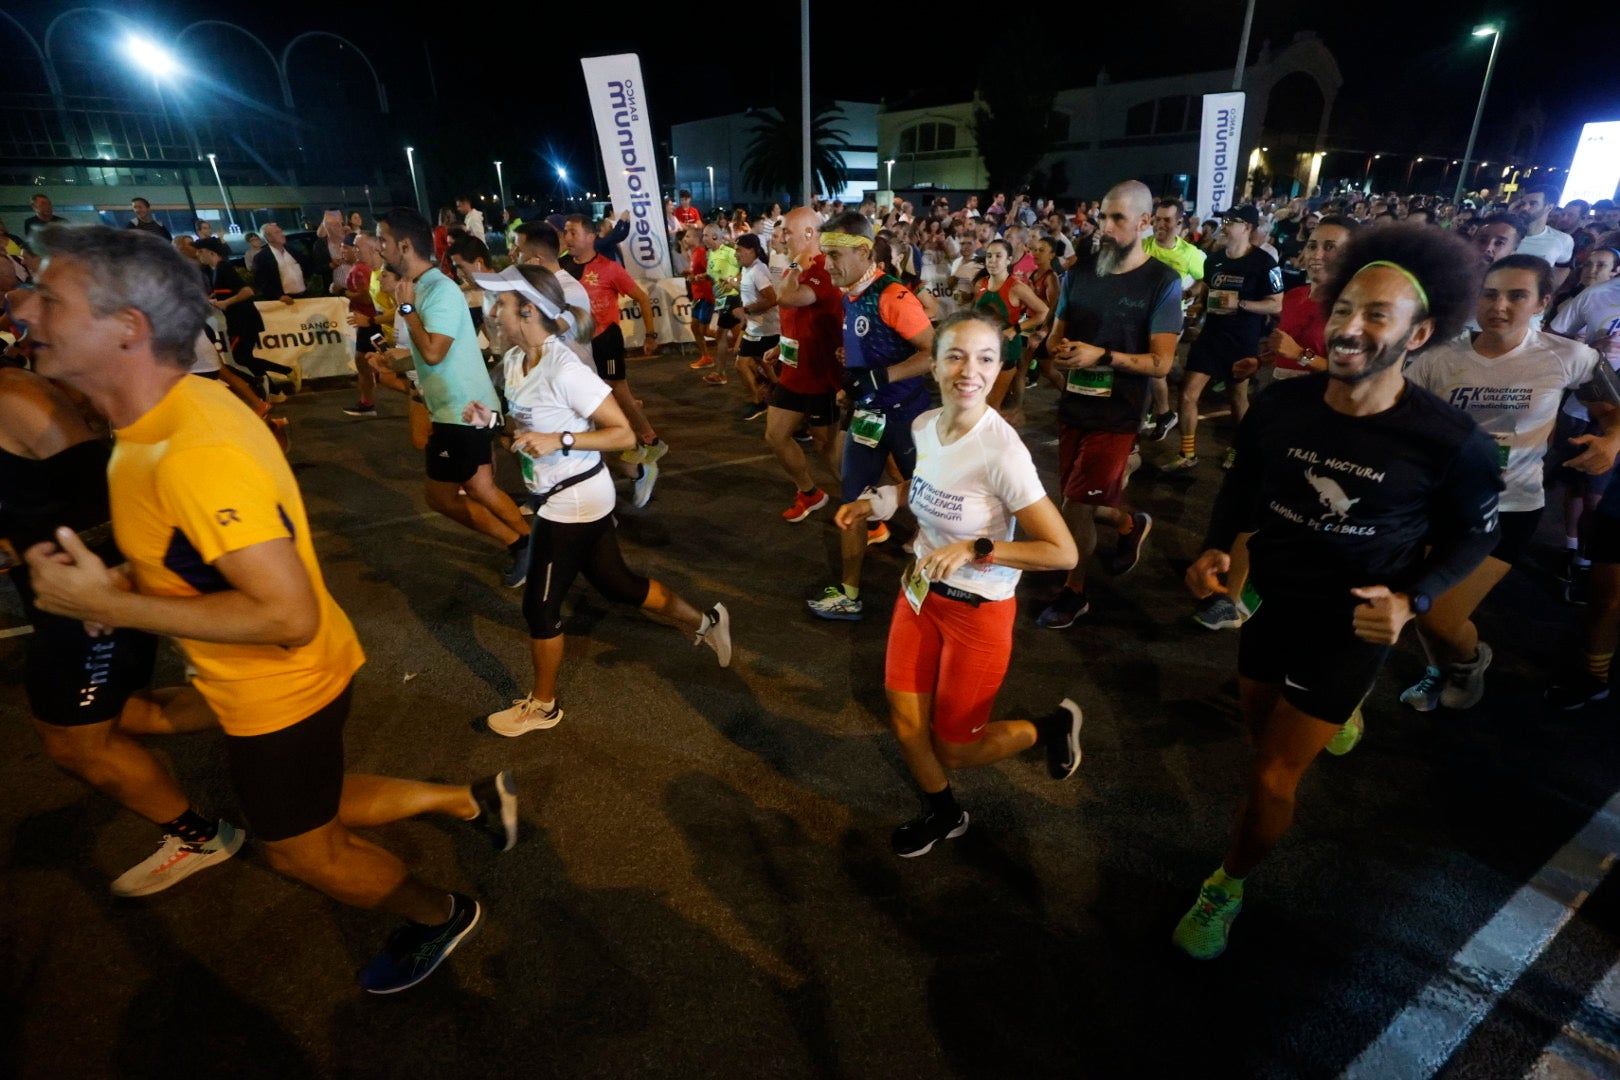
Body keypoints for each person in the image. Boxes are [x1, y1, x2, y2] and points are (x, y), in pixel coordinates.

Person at [19, 225, 520, 994]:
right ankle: (466, 798)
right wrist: (122, 586)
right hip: (265, 678)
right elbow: (198, 552)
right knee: (270, 793)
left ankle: (439, 913)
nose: (25, 307)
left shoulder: (191, 449)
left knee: (298, 847)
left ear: (128, 328)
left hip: (280, 687)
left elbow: (288, 616)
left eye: (51, 297)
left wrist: (107, 605)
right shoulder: (166, 414)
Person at [1175, 224, 1502, 960]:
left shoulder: (1450, 441)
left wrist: (1411, 601)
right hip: (1270, 606)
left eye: (1376, 315)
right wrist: (1213, 548)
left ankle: (1227, 885)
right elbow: (1243, 484)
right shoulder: (1283, 407)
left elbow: (1475, 537)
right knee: (1258, 734)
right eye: (1345, 308)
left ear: (1417, 335)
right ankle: (1339, 718)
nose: (1350, 327)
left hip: (1349, 628)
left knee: (1270, 775)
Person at [834, 310, 1081, 855]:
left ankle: (1050, 727)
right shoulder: (924, 425)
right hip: (919, 594)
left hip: (979, 611)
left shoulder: (1002, 452)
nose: (970, 371)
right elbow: (921, 490)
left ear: (998, 370)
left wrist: (978, 547)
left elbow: (1062, 551)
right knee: (904, 721)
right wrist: (874, 501)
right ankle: (944, 813)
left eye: (985, 359)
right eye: (956, 356)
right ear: (937, 363)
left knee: (955, 748)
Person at [1, 363, 245, 897]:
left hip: (88, 600)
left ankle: (199, 837)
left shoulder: (12, 394)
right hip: (66, 593)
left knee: (72, 742)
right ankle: (270, 705)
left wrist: (110, 590)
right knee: (122, 714)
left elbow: (109, 495)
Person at [469, 265, 732, 735]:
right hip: (556, 492)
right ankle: (705, 620)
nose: (490, 313)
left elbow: (622, 433)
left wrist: (561, 439)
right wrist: (493, 424)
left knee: (541, 606)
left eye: (500, 305)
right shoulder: (514, 361)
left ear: (528, 311)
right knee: (619, 586)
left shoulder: (564, 367)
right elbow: (527, 432)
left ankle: (543, 706)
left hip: (573, 498)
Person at [1399, 255, 1619, 711]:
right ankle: (1440, 669)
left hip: (1509, 507)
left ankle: (1470, 660)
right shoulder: (1436, 356)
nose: (1499, 305)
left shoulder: (1568, 356)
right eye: (1490, 293)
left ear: (1543, 301)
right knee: (1423, 614)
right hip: (1435, 504)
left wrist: (1612, 442)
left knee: (1436, 611)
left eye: (1517, 295)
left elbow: (1614, 410)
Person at [1036, 181, 1181, 629]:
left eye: (1118, 218)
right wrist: (1057, 352)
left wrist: (1103, 356)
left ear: (1144, 223)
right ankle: (1128, 523)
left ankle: (1074, 591)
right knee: (1075, 497)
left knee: (1075, 505)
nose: (1106, 227)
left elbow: (1162, 363)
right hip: (1074, 406)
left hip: (1118, 415)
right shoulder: (1079, 274)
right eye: (1102, 216)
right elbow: (1055, 337)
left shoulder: (1162, 281)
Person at [377, 207, 532, 587]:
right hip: (452, 407)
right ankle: (526, 544)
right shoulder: (421, 288)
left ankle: (528, 544)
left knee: (454, 494)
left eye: (383, 240)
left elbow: (433, 352)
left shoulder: (438, 290)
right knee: (460, 492)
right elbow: (425, 355)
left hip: (464, 409)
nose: (379, 248)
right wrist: (390, 365)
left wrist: (408, 310)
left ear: (405, 245)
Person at [806, 212, 936, 621]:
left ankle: (942, 594)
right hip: (867, 416)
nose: (827, 266)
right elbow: (872, 343)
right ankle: (849, 593)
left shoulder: (893, 296)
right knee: (852, 500)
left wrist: (881, 375)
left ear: (864, 252)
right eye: (824, 255)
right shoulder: (851, 294)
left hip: (906, 415)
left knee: (931, 500)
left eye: (834, 255)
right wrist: (855, 365)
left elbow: (933, 353)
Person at [559, 214, 668, 508]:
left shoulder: (609, 268)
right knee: (589, 402)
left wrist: (651, 334)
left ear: (591, 236)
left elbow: (643, 299)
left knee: (615, 391)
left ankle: (649, 440)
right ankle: (614, 456)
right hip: (578, 345)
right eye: (565, 232)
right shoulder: (561, 268)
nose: (567, 237)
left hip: (605, 339)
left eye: (573, 232)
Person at [1168, 205, 1283, 472]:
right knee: (1187, 393)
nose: (1225, 225)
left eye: (1232, 221)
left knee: (1237, 399)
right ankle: (1187, 454)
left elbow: (1276, 305)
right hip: (1211, 336)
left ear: (1248, 227)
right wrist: (1192, 295)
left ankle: (1237, 450)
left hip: (1241, 340)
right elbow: (1207, 284)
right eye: (1225, 220)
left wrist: (1240, 303)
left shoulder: (1265, 263)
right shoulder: (1215, 259)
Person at [765, 206, 845, 524]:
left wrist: (795, 268)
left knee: (827, 449)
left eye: (787, 231)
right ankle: (810, 492)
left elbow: (786, 299)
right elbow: (795, 317)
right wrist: (780, 345)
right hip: (794, 374)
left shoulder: (824, 268)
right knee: (775, 436)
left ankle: (866, 505)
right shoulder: (794, 270)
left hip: (823, 379)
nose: (781, 237)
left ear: (809, 234)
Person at [1142, 198, 1206, 440]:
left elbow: (1203, 280)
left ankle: (1163, 412)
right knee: (1149, 365)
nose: (1160, 224)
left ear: (1179, 223)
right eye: (1157, 219)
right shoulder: (1145, 245)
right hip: (1141, 313)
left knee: (1154, 366)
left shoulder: (1190, 254)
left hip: (1169, 316)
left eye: (1167, 220)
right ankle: (1159, 408)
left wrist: (1189, 293)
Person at [731, 233, 780, 421]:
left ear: (751, 250)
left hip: (764, 329)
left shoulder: (758, 271)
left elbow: (772, 299)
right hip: (755, 327)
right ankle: (774, 392)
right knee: (762, 363)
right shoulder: (748, 268)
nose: (736, 254)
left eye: (739, 250)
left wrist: (745, 310)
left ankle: (759, 402)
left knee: (741, 365)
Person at [1514, 181, 1576, 291]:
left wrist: (1548, 292)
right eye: (1523, 204)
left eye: (1533, 203)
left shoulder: (1562, 240)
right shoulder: (1506, 234)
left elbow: (1563, 268)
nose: (1525, 208)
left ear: (1549, 207)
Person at [251, 223, 308, 306]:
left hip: (304, 296)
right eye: (277, 233)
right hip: (284, 301)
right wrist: (279, 296)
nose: (282, 235)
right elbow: (261, 282)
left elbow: (308, 266)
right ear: (268, 237)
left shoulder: (292, 251)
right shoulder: (261, 258)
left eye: (281, 231)